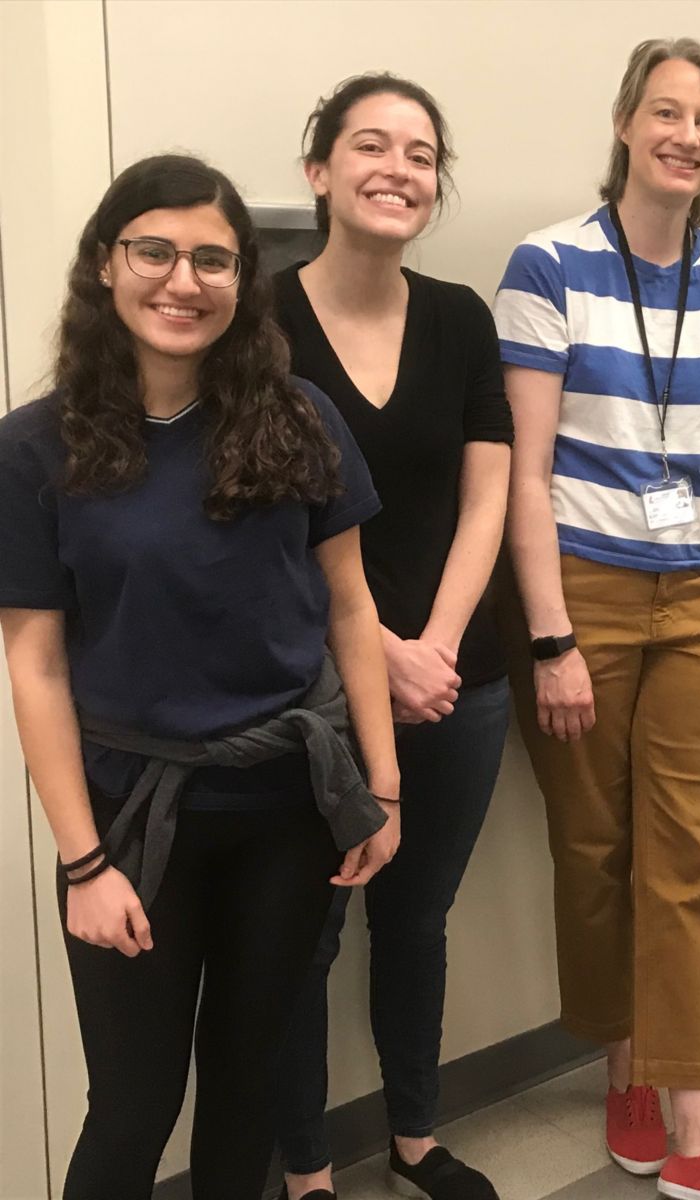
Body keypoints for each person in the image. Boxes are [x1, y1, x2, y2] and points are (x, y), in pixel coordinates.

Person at [0, 155, 399, 1200]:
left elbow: (352, 609)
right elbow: (34, 662)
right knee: (132, 1108)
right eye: (155, 252)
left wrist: (383, 788)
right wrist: (83, 864)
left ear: (241, 280)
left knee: (247, 1089)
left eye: (212, 260)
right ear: (105, 264)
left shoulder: (300, 418)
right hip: (133, 822)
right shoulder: (34, 449)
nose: (183, 281)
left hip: (286, 808)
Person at [492, 37, 700, 1200]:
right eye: (666, 112)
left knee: (689, 856)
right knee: (594, 849)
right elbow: (523, 474)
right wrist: (552, 638)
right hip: (582, 589)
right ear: (625, 123)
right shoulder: (549, 266)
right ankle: (624, 1063)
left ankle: (694, 1117)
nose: (686, 135)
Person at [272, 75, 513, 1200]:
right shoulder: (259, 325)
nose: (397, 170)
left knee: (417, 920)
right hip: (314, 692)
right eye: (371, 146)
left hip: (459, 680)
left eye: (420, 154)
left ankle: (415, 1138)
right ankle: (308, 1170)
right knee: (306, 935)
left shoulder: (462, 318)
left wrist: (438, 648)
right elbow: (266, 518)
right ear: (319, 170)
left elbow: (488, 496)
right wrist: (381, 654)